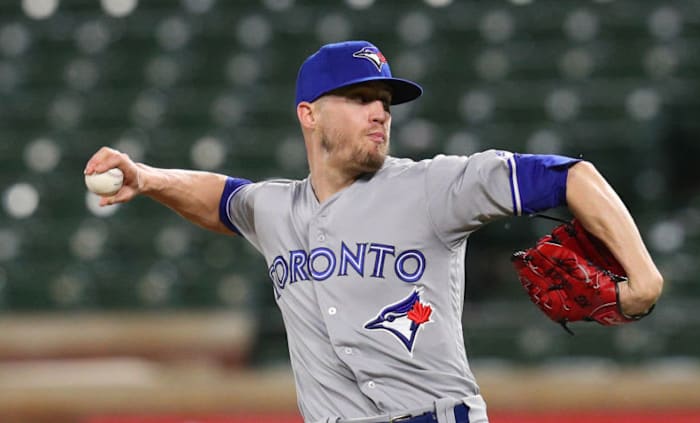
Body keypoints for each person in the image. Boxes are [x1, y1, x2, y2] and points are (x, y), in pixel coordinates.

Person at [84, 40, 663, 423]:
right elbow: (222, 198)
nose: (379, 112)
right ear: (308, 113)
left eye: (384, 100)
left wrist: (644, 277)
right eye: (359, 98)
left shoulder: (434, 187)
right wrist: (149, 177)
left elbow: (572, 177)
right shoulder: (277, 210)